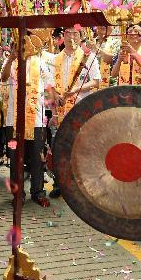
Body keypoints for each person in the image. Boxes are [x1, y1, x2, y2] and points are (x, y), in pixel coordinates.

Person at [1, 32, 55, 207]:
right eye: (19, 42)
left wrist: (52, 108)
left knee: (37, 157)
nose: (24, 45)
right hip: (13, 122)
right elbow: (2, 78)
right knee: (15, 156)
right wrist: (10, 58)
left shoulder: (39, 62)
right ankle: (18, 194)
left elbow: (49, 87)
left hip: (37, 122)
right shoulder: (11, 61)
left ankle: (37, 192)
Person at [49, 26, 101, 198]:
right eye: (68, 33)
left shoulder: (88, 56)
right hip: (61, 108)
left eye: (75, 33)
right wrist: (54, 96)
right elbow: (50, 84)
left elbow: (96, 82)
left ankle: (80, 185)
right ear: (63, 36)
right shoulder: (56, 58)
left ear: (80, 37)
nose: (71, 36)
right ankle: (60, 183)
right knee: (60, 146)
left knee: (80, 146)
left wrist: (77, 89)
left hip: (80, 107)